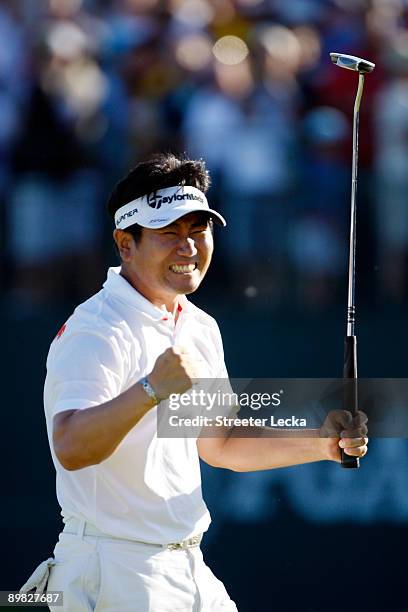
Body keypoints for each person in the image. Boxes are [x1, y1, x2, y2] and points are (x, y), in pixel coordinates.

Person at [20, 153, 368, 611]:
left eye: (198, 230)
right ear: (126, 244)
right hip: (112, 569)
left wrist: (322, 443)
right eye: (169, 234)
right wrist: (150, 390)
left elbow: (220, 443)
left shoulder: (199, 326)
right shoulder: (96, 329)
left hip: (188, 567)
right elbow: (70, 446)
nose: (188, 248)